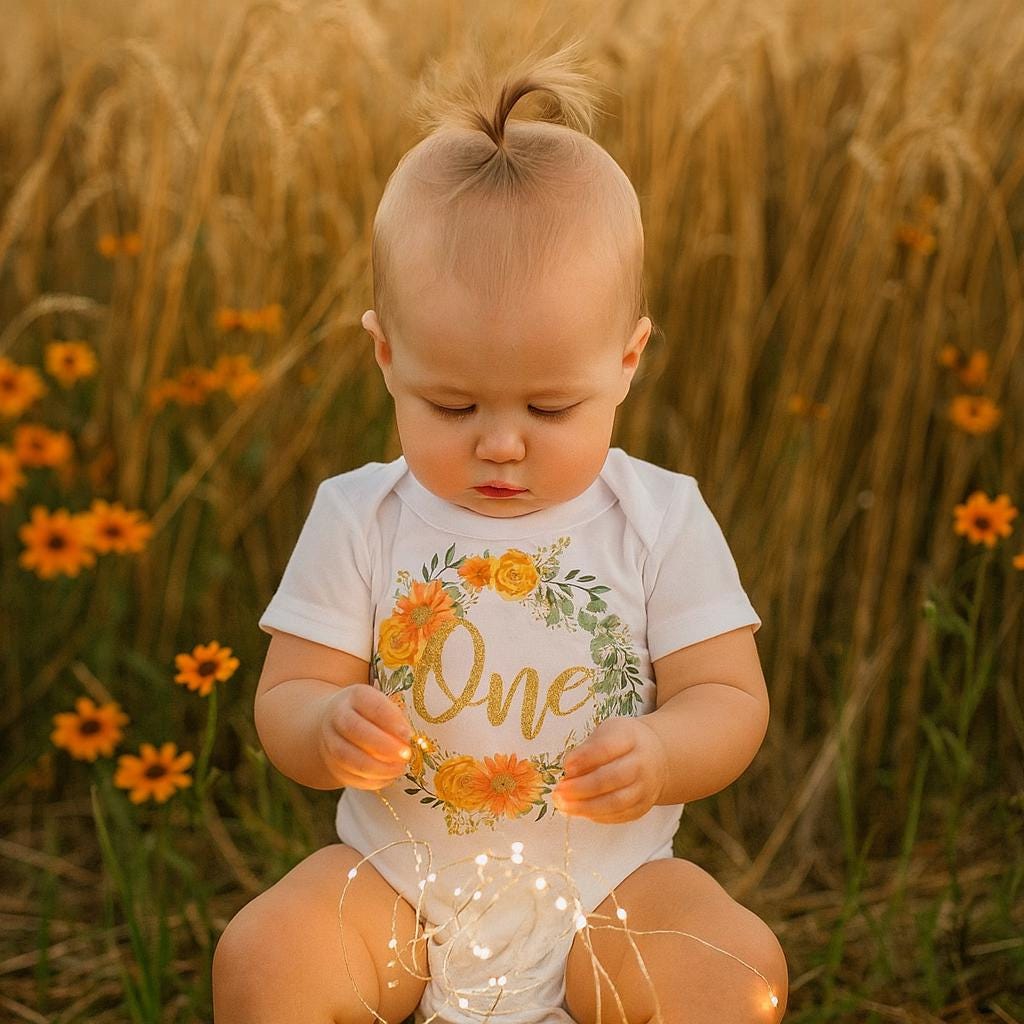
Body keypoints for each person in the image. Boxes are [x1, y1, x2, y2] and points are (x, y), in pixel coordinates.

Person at [212, 40, 788, 1024]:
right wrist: (324, 726)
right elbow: (289, 697)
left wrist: (660, 749)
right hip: (393, 887)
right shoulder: (362, 515)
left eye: (553, 408)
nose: (503, 445)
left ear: (627, 359)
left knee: (733, 970)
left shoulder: (658, 517)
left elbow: (729, 698)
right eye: (451, 404)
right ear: (387, 357)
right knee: (264, 956)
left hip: (612, 897)